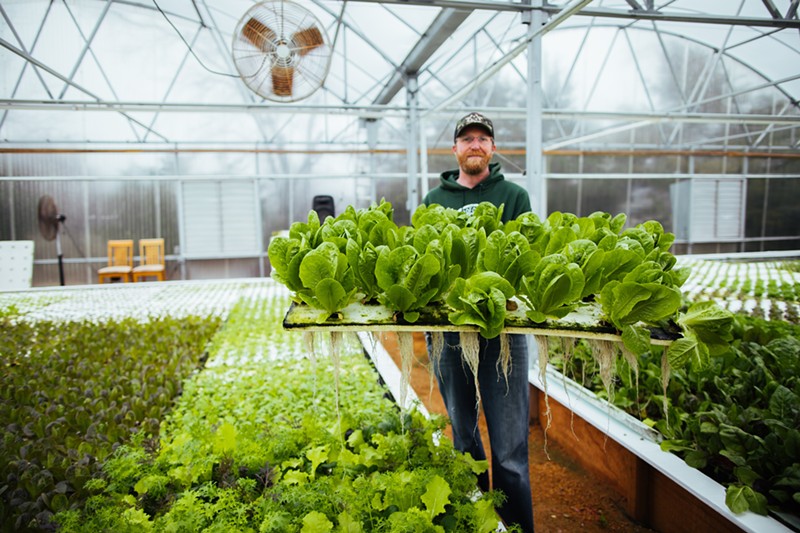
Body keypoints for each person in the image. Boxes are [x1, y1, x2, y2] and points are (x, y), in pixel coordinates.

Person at [422, 112, 535, 533]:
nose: (474, 145)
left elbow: (527, 257)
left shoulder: (514, 196)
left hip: (503, 336)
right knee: (464, 438)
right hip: (451, 336)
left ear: (492, 148)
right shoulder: (434, 200)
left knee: (509, 447)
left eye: (482, 139)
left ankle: (517, 526)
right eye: (466, 138)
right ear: (455, 149)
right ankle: (477, 522)